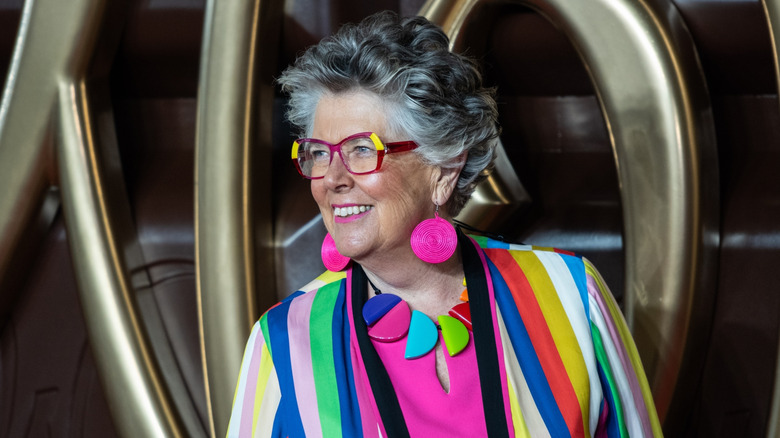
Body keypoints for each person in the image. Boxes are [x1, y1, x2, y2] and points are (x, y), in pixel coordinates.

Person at [227, 11, 661, 438]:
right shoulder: (284, 340)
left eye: (361, 149)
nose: (332, 179)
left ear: (444, 168)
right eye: (319, 153)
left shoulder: (570, 294)